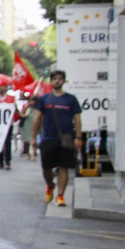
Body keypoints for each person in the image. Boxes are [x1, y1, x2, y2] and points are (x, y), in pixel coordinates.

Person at [32, 69, 83, 207]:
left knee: (63, 167)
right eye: (54, 78)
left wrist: (78, 137)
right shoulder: (44, 99)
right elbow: (37, 118)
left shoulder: (71, 99)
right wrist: (33, 138)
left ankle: (60, 195)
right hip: (48, 137)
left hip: (66, 138)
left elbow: (77, 118)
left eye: (60, 78)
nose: (57, 81)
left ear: (63, 81)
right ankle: (50, 185)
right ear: (51, 81)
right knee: (46, 168)